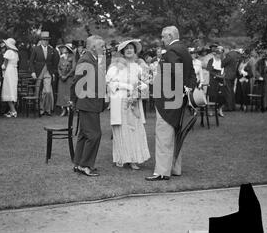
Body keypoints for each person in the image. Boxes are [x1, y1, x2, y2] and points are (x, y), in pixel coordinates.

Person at [146, 26, 196, 181]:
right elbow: (192, 74)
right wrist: (187, 89)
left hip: (168, 99)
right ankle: (175, 168)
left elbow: (175, 73)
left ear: (169, 36)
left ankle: (161, 171)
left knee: (163, 136)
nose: (162, 39)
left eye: (163, 36)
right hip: (178, 98)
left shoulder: (171, 51)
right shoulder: (184, 50)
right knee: (175, 134)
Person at [106, 39, 150, 170]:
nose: (129, 50)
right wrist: (127, 86)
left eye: (131, 48)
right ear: (123, 52)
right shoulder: (116, 66)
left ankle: (133, 159)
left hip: (134, 101)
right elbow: (110, 82)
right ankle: (121, 157)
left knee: (134, 130)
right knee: (121, 129)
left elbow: (146, 81)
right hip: (120, 101)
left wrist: (137, 90)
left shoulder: (138, 67)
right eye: (127, 49)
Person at [71, 35, 107, 177]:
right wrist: (74, 100)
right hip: (87, 102)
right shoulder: (86, 59)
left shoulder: (93, 59)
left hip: (90, 102)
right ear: (93, 47)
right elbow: (76, 81)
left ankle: (78, 163)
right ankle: (85, 165)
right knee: (94, 135)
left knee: (85, 134)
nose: (104, 49)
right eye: (102, 46)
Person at [29, 31, 60, 116]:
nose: (45, 41)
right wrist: (33, 72)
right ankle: (40, 109)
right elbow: (31, 62)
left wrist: (53, 73)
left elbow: (54, 63)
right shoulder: (36, 49)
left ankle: (48, 109)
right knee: (38, 91)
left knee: (48, 92)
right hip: (38, 72)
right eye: (44, 40)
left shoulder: (51, 50)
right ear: (41, 40)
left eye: (47, 40)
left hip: (48, 72)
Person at [1, 38, 19, 118]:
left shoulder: (8, 52)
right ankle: (11, 110)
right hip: (14, 72)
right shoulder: (16, 53)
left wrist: (2, 67)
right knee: (12, 90)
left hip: (9, 71)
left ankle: (13, 111)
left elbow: (5, 64)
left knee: (8, 90)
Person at [56, 43, 76, 117]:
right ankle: (63, 110)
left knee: (68, 94)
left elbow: (73, 68)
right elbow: (58, 67)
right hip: (61, 79)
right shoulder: (61, 57)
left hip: (69, 78)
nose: (63, 49)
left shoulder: (72, 57)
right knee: (61, 94)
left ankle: (69, 109)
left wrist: (67, 75)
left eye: (65, 48)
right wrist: (61, 75)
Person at [207, 47, 226, 117]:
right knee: (212, 95)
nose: (219, 55)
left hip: (220, 80)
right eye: (218, 54)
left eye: (220, 54)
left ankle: (219, 109)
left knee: (221, 96)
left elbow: (224, 70)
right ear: (215, 54)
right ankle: (211, 110)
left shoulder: (222, 61)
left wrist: (223, 75)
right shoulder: (211, 60)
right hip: (213, 80)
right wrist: (217, 75)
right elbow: (209, 70)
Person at [221, 47, 240, 112]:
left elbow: (222, 64)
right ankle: (232, 106)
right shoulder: (237, 54)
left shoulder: (229, 55)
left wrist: (223, 56)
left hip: (228, 75)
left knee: (228, 91)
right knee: (231, 91)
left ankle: (229, 107)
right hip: (233, 75)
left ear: (229, 48)